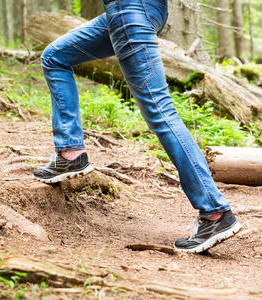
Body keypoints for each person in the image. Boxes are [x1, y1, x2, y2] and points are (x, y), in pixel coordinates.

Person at [33, 0, 241, 253]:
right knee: (55, 56)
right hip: (136, 11)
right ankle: (70, 154)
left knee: (161, 112)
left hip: (130, 11)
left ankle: (214, 213)